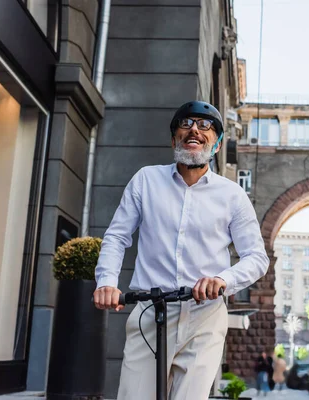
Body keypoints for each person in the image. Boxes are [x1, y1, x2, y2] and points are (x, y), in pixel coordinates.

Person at [92, 101, 270, 400]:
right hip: (150, 310)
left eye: (206, 126)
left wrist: (223, 280)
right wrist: (107, 282)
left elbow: (256, 257)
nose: (195, 130)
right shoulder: (146, 180)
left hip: (204, 315)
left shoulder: (232, 196)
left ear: (217, 144)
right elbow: (117, 236)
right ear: (174, 139)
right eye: (186, 124)